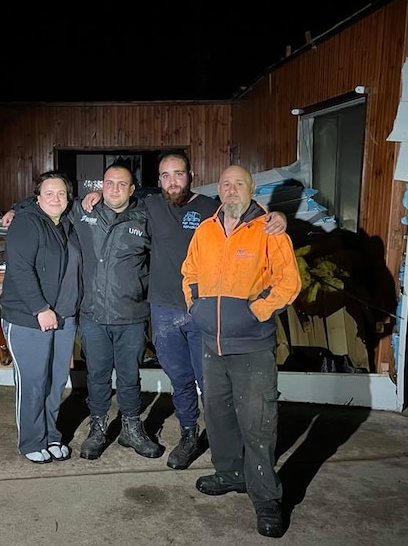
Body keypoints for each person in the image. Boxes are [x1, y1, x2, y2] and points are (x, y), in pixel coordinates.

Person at [80, 151, 287, 470]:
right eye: (165, 175)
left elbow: (246, 215)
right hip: (162, 310)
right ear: (157, 181)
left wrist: (277, 217)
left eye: (178, 174)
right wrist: (95, 194)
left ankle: (226, 447)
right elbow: (116, 202)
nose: (172, 181)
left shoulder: (209, 208)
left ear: (191, 175)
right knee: (180, 378)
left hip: (202, 311)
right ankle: (189, 435)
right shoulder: (148, 206)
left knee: (211, 382)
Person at [3, 163, 162, 461]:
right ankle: (88, 430)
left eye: (121, 184)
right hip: (85, 314)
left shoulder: (143, 216)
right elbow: (23, 262)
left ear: (132, 189)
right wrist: (15, 209)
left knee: (109, 377)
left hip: (124, 313)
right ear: (100, 186)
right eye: (108, 183)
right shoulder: (77, 214)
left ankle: (126, 428)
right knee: (84, 378)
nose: (113, 189)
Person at [181, 164, 301, 539]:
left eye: (239, 184)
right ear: (219, 190)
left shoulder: (268, 229)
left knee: (258, 421)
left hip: (251, 346)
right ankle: (229, 473)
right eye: (226, 184)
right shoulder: (205, 230)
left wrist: (255, 312)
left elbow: (288, 282)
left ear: (251, 189)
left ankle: (266, 497)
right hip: (211, 343)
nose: (231, 190)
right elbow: (190, 273)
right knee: (218, 414)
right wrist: (196, 307)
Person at [0, 171, 82, 464]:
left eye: (61, 193)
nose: (56, 198)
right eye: (49, 193)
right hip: (29, 317)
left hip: (63, 315)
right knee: (33, 381)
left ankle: (51, 434)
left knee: (56, 381)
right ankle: (31, 441)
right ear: (37, 198)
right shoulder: (26, 222)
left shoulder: (67, 222)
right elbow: (21, 269)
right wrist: (39, 308)